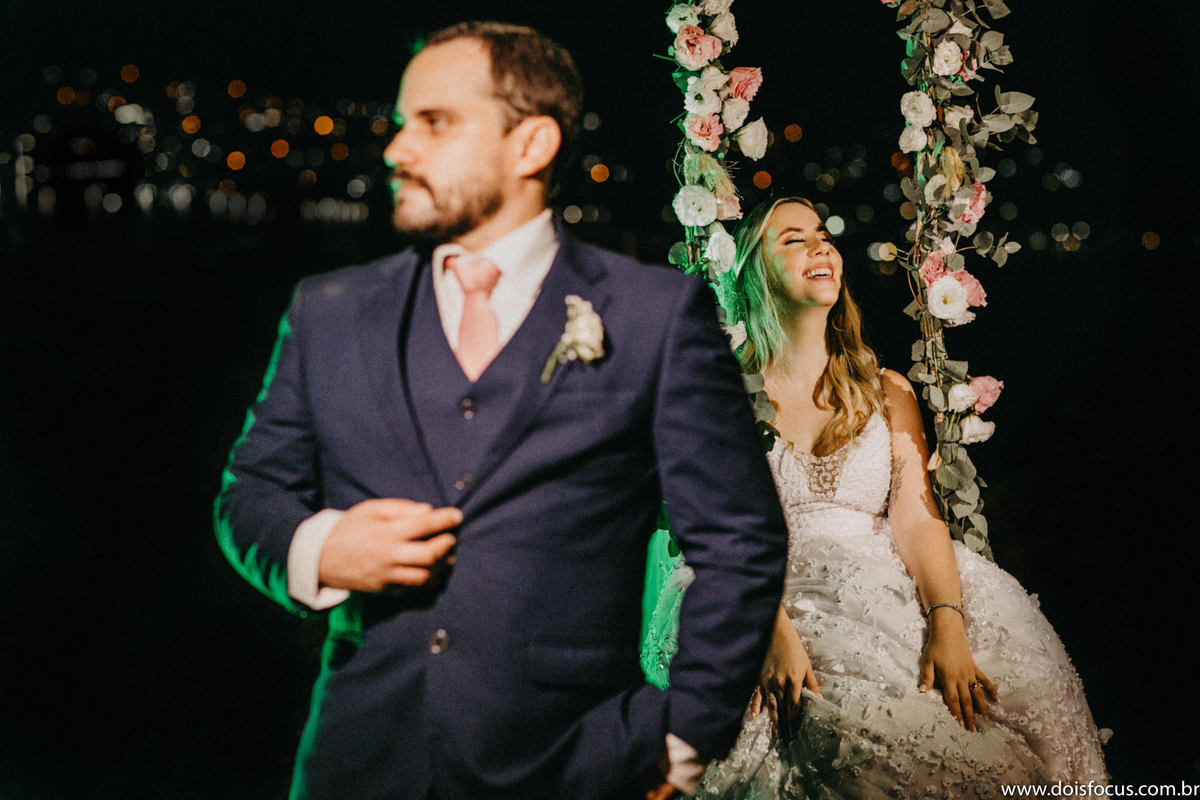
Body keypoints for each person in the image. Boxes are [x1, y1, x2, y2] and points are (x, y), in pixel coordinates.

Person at [214, 21, 790, 800]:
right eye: (400, 124)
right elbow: (248, 495)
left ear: (532, 145)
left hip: (575, 763)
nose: (397, 151)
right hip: (360, 762)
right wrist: (317, 548)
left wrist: (683, 737)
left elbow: (739, 540)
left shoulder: (655, 316)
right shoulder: (329, 311)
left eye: (436, 123)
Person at [641, 197, 1108, 798]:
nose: (820, 246)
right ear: (754, 271)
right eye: (792, 239)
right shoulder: (714, 388)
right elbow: (703, 525)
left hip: (880, 581)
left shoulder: (885, 390)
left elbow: (916, 516)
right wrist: (767, 632)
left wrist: (947, 624)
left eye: (822, 234)